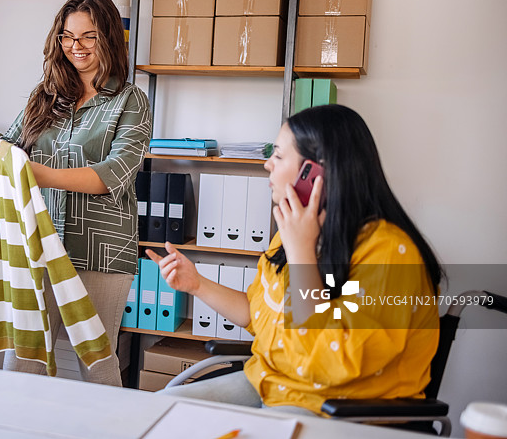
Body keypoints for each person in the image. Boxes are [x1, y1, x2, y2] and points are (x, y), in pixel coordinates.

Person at [146, 104, 443, 415]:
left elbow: (332, 362)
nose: (267, 165)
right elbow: (258, 315)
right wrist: (196, 284)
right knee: (160, 410)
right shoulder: (293, 233)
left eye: (278, 155)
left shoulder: (389, 253)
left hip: (337, 404)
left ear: (314, 173)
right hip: (270, 382)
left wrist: (302, 255)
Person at [0, 0, 151, 386]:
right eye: (67, 36)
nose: (75, 46)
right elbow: (11, 150)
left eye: (88, 36)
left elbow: (114, 173)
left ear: (108, 38)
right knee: (23, 359)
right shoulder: (45, 96)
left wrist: (40, 174)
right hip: (37, 244)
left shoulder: (130, 100)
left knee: (97, 364)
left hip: (101, 253)